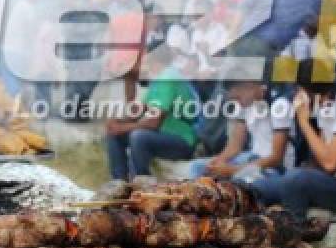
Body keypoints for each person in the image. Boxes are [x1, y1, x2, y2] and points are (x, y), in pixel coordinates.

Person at [251, 59, 336, 217]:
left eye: (300, 90)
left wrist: (304, 122)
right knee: (257, 187)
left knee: (295, 180)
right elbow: (321, 157)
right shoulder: (323, 104)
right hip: (332, 180)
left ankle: (294, 232)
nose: (297, 96)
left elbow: (330, 163)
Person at [104, 49, 198, 181]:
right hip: (162, 136)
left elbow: (154, 123)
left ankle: (141, 184)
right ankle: (119, 182)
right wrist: (118, 122)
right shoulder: (158, 78)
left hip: (182, 141)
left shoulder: (169, 77)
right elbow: (138, 110)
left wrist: (123, 127)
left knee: (138, 136)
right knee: (114, 133)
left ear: (153, 59)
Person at [188, 77, 292, 181]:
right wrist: (217, 162)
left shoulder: (279, 104)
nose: (237, 102)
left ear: (249, 86)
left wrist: (233, 170)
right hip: (251, 158)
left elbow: (276, 158)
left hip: (271, 167)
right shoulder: (243, 105)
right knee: (198, 167)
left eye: (238, 97)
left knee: (244, 177)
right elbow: (235, 146)